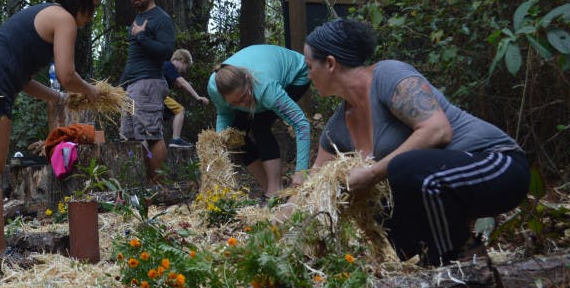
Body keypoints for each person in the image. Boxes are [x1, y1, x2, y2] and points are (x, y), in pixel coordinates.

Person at [304, 19, 529, 265]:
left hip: (499, 166)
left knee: (399, 168)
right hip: (445, 187)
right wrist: (276, 221)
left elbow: (438, 130)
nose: (307, 76)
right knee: (380, 200)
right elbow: (312, 186)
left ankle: (459, 258)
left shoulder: (388, 75)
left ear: (330, 63)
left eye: (309, 67)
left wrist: (371, 172)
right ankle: (427, 261)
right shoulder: (337, 127)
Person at [0, 0, 102, 265]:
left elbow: (23, 80)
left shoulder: (41, 14)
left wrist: (59, 97)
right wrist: (90, 90)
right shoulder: (64, 19)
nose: (91, 17)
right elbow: (67, 74)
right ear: (80, 1)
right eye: (92, 7)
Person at [207, 45, 311, 197]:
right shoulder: (215, 88)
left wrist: (301, 172)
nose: (243, 105)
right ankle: (269, 190)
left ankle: (275, 189)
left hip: (297, 73)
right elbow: (224, 113)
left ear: (248, 80)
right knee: (235, 137)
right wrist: (220, 141)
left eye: (243, 98)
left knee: (259, 124)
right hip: (257, 78)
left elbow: (301, 124)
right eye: (235, 103)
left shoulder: (266, 89)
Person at [118, 0, 175, 183]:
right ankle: (141, 185)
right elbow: (134, 57)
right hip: (133, 87)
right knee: (130, 135)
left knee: (151, 136)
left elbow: (167, 52)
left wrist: (141, 36)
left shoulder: (160, 18)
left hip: (149, 84)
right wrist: (121, 86)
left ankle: (158, 186)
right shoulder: (139, 18)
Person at [162, 48, 209, 148]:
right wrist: (197, 97)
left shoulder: (165, 66)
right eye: (186, 67)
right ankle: (176, 139)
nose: (184, 71)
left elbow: (177, 83)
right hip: (157, 96)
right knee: (180, 110)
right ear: (183, 60)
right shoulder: (169, 66)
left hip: (151, 97)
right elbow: (182, 82)